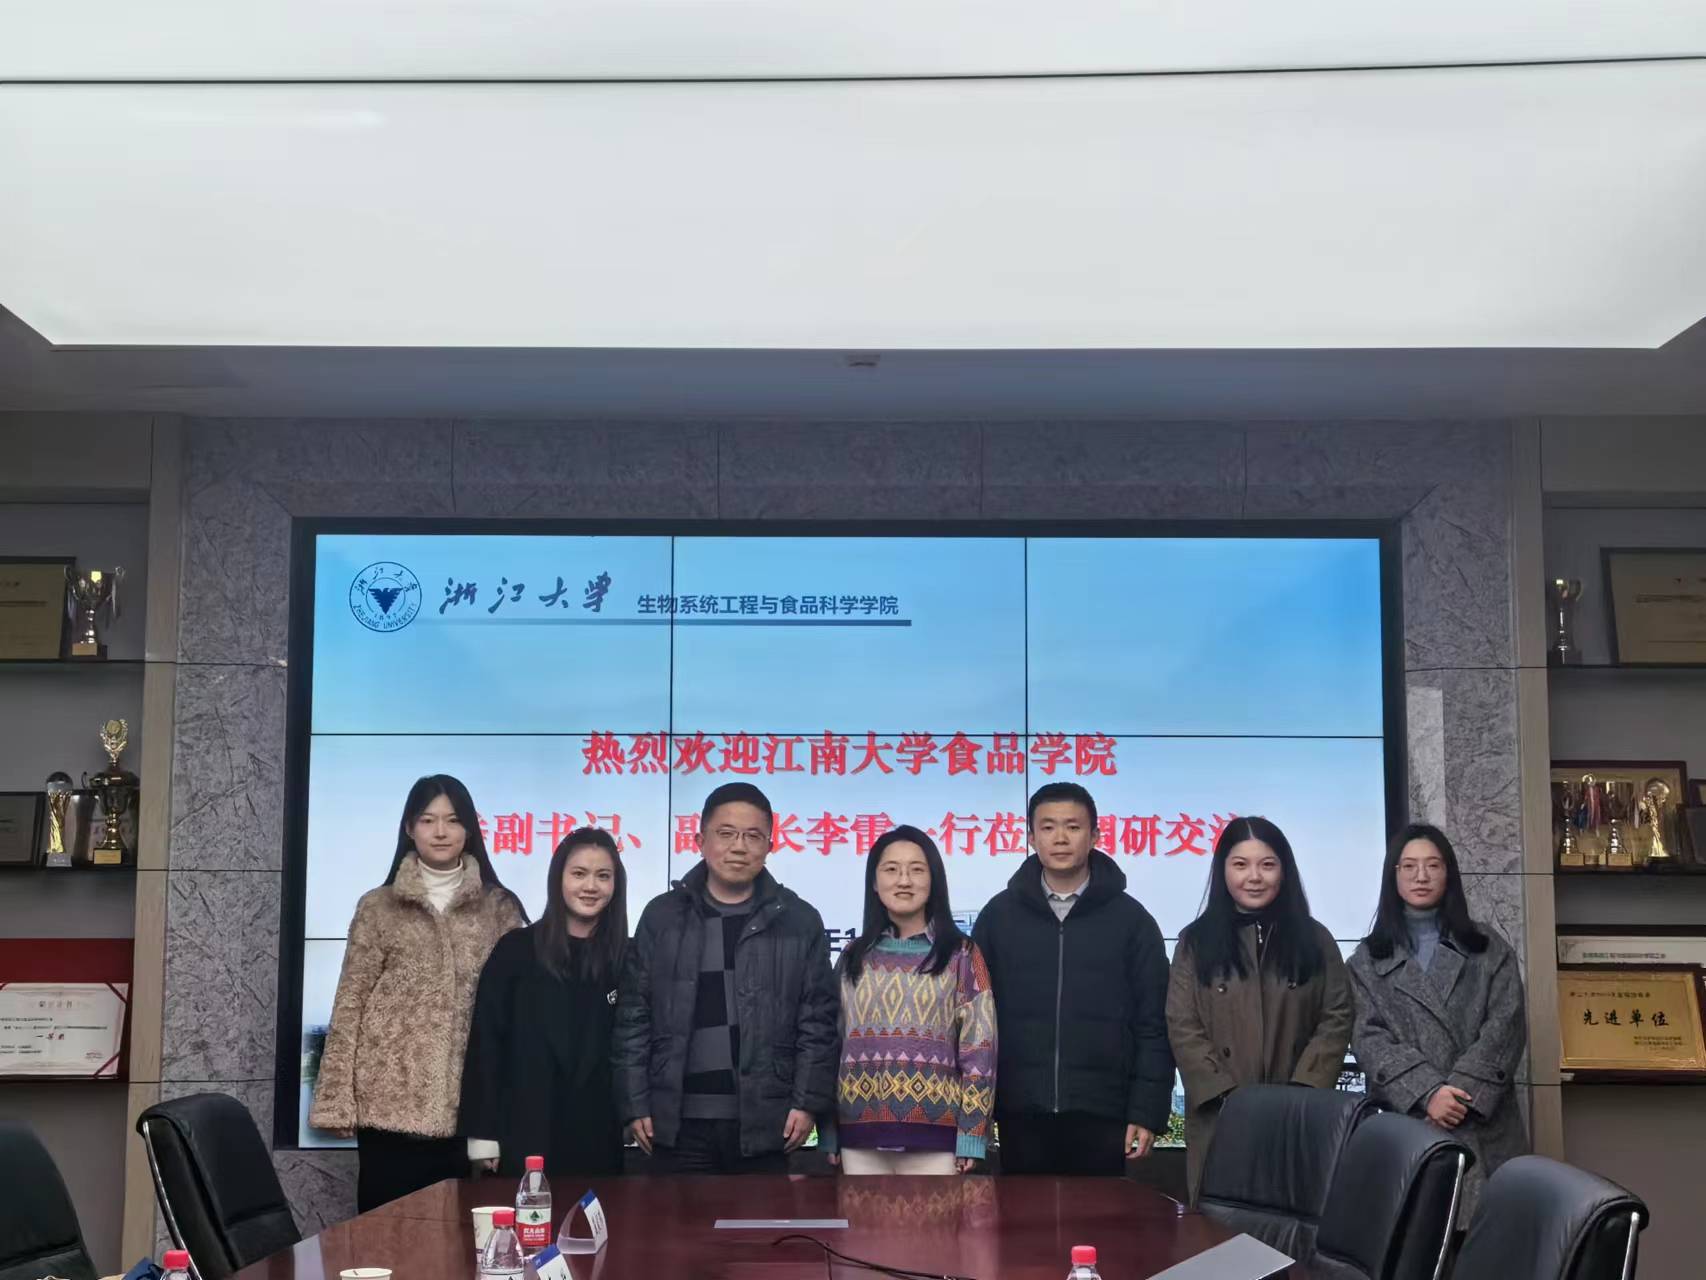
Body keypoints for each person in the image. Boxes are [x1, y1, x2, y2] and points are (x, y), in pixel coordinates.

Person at [310, 774, 527, 1211]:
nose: (440, 831)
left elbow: (517, 1016)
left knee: (460, 1238)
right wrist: (335, 1100)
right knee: (384, 1234)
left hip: (468, 1110)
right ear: (410, 828)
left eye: (453, 820)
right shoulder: (377, 906)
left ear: (470, 829)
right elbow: (350, 1003)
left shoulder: (499, 908)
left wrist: (504, 1116)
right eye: (428, 820)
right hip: (387, 1107)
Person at [613, 782, 839, 1173]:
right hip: (677, 1122)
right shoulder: (662, 916)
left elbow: (818, 1023)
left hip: (766, 1121)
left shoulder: (799, 921)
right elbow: (633, 1016)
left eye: (753, 836)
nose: (739, 847)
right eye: (726, 833)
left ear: (770, 845)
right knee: (673, 1217)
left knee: (762, 1217)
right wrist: (634, 1103)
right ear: (700, 840)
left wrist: (806, 1103)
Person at [972, 782, 1174, 1175]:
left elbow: (1153, 1024)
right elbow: (975, 1023)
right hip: (1020, 1112)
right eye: (1048, 827)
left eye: (1073, 826)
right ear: (1031, 837)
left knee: (1101, 1215)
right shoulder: (998, 917)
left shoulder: (1132, 921)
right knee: (1022, 1214)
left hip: (1105, 1112)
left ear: (1095, 836)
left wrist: (1147, 1109)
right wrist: (978, 1111)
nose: (1060, 838)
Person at [1166, 815, 1353, 1204]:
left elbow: (1336, 1017)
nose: (1254, 877)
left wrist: (1303, 1091)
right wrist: (1227, 1096)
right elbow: (1182, 1023)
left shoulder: (1315, 939)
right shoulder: (1195, 942)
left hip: (1297, 1116)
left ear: (1284, 871)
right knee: (1220, 1226)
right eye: (1240, 864)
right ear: (1223, 871)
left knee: (1292, 1221)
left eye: (1267, 864)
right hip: (1221, 1117)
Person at [1347, 823, 1527, 1214]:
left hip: (1482, 1122)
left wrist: (1456, 1095)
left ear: (1449, 873)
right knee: (1412, 1233)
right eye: (1409, 866)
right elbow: (1368, 1038)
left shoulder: (1488, 948)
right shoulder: (1367, 960)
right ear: (1393, 875)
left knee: (1486, 1237)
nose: (1421, 876)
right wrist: (1428, 1093)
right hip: (1408, 1122)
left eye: (1433, 865)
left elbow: (1506, 1027)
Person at [821, 825, 996, 1175]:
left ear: (933, 881)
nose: (904, 880)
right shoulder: (853, 956)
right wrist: (828, 1131)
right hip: (859, 1138)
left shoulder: (962, 954)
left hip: (937, 1140)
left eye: (917, 869)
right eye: (891, 869)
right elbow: (829, 1045)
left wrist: (972, 1135)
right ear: (874, 882)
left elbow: (981, 1052)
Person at [460, 827, 628, 1178]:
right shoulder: (516, 950)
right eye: (579, 873)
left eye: (603, 876)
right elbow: (486, 1043)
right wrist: (483, 1133)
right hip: (525, 1130)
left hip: (599, 1134)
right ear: (558, 879)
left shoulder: (627, 956)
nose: (591, 886)